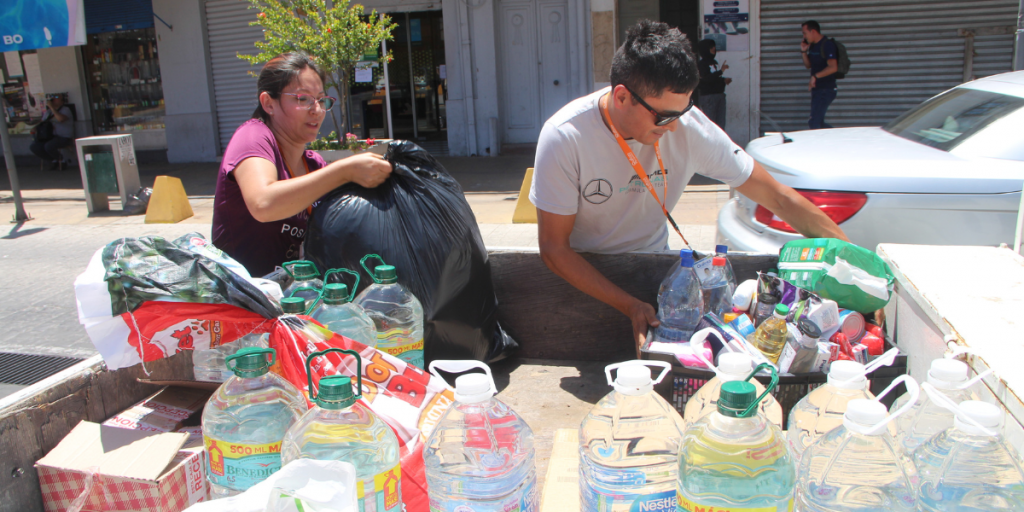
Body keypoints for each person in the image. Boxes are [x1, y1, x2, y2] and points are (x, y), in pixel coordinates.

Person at [529, 20, 849, 355]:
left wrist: (853, 262)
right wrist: (630, 306)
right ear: (622, 97)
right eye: (664, 117)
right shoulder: (566, 136)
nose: (674, 127)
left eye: (683, 111)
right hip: (586, 281)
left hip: (657, 272)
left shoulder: (685, 123)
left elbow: (777, 197)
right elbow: (554, 249)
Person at [212, 52, 393, 276]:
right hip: (244, 297)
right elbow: (263, 203)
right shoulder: (253, 137)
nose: (316, 109)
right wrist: (344, 171)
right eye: (302, 99)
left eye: (321, 100)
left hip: (294, 295)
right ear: (269, 103)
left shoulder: (313, 165)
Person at [800, 20, 839, 129]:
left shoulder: (827, 45)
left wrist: (815, 76)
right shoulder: (812, 46)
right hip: (817, 89)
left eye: (805, 33)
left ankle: (835, 139)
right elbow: (808, 65)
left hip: (826, 89)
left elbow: (833, 67)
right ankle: (837, 137)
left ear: (813, 31)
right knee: (819, 123)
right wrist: (803, 51)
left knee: (814, 123)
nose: (804, 36)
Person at [29, 95, 74, 169]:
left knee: (49, 146)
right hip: (50, 137)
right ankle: (53, 160)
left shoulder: (66, 110)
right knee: (34, 147)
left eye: (56, 98)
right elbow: (43, 122)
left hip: (64, 137)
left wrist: (52, 108)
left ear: (62, 102)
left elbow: (61, 119)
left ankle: (61, 160)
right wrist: (35, 128)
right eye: (53, 98)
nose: (53, 100)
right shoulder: (48, 112)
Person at [696, 38, 730, 129]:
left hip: (719, 95)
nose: (714, 49)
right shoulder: (701, 64)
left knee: (720, 126)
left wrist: (723, 80)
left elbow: (715, 78)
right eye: (711, 47)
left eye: (714, 46)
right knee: (710, 125)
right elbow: (706, 79)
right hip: (709, 97)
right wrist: (721, 71)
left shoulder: (714, 62)